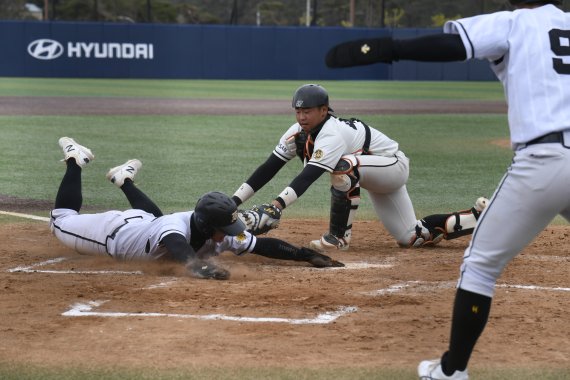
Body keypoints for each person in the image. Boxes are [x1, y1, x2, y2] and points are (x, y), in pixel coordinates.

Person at [326, 0, 570, 379]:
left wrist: (393, 48)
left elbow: (454, 46)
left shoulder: (513, 22)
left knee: (479, 267)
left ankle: (452, 371)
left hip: (544, 160)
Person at [231, 83, 487, 252]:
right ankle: (476, 218)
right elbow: (269, 168)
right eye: (297, 111)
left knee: (344, 168)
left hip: (392, 167)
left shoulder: (331, 133)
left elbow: (308, 175)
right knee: (411, 237)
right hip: (370, 173)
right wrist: (234, 201)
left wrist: (276, 206)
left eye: (307, 111)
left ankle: (338, 238)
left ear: (323, 110)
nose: (301, 117)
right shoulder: (298, 132)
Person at [50, 137, 343, 281]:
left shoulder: (218, 231)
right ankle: (76, 159)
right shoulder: (175, 230)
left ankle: (123, 180)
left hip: (144, 222)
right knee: (60, 219)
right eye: (222, 230)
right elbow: (179, 249)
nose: (227, 235)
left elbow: (262, 245)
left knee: (155, 219)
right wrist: (200, 268)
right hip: (110, 234)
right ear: (205, 225)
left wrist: (305, 254)